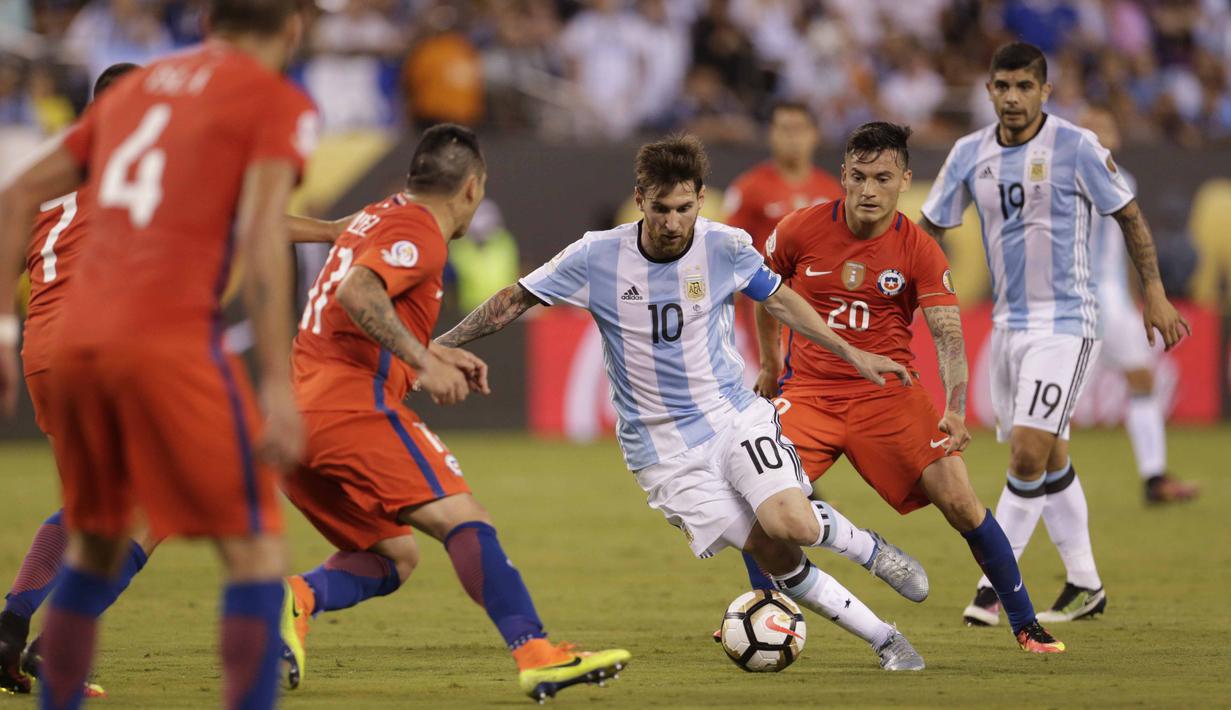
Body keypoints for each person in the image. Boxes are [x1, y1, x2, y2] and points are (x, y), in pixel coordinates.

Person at [437, 134, 931, 671]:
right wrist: (436, 349)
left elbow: (782, 300)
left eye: (684, 208)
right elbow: (514, 299)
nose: (673, 223)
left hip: (730, 417)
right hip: (661, 451)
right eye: (661, 209)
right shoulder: (595, 254)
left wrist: (851, 352)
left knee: (794, 522)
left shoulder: (725, 246)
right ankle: (886, 639)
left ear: (700, 198)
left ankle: (872, 551)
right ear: (640, 200)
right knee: (772, 550)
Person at [0, 2, 318, 708]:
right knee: (255, 548)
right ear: (290, 31)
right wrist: (275, 382)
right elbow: (260, 240)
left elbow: (17, 191)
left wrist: (3, 332)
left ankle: (44, 658)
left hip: (70, 341)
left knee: (97, 530)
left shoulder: (136, 95)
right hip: (161, 337)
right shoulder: (269, 100)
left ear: (207, 28)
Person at [279, 124, 630, 703]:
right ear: (471, 188)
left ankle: (292, 598)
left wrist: (435, 351)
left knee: (394, 555)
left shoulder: (379, 214)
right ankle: (537, 653)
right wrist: (424, 360)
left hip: (299, 416)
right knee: (465, 518)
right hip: (347, 407)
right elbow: (358, 295)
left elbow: (352, 314)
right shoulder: (420, 230)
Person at [752, 121, 1064, 653]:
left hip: (889, 397)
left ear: (904, 181)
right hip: (809, 393)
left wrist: (957, 409)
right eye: (858, 176)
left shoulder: (919, 249)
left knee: (962, 502)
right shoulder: (800, 230)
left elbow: (947, 337)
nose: (868, 190)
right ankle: (763, 616)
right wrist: (769, 362)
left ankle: (1025, 623)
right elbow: (765, 293)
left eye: (882, 177)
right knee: (759, 512)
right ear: (843, 177)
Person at [919, 43, 1191, 627]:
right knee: (1053, 455)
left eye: (1024, 87)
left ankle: (993, 588)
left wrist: (1156, 294)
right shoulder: (969, 153)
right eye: (1002, 86)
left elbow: (1130, 215)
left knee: (1026, 454)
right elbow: (929, 229)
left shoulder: (1076, 147)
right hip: (1009, 326)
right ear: (988, 91)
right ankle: (1086, 585)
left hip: (1069, 323)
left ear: (1045, 91)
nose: (1012, 98)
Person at [0, 63, 144, 700]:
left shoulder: (47, 169)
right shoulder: (138, 163)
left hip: (42, 351)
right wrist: (329, 232)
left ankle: (10, 633)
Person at [1078, 106, 1198, 505]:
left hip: (1112, 297)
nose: (1097, 133)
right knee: (1061, 396)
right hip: (1083, 298)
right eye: (1089, 127)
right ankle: (1034, 477)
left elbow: (1126, 246)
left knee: (1141, 379)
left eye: (1104, 126)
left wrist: (1141, 298)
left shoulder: (1123, 178)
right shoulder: (1074, 177)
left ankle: (1154, 478)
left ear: (1116, 136)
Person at [724, 102, 842, 357]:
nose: (793, 138)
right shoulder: (750, 188)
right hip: (770, 305)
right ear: (772, 134)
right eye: (785, 129)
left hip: (819, 305)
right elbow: (729, 250)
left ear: (814, 134)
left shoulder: (832, 191)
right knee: (777, 380)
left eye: (799, 129)